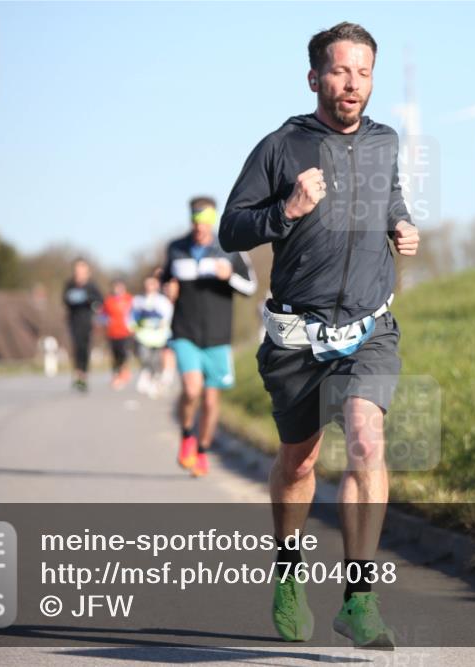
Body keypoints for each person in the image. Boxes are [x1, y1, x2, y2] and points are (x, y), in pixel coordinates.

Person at [219, 22, 419, 650]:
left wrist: (402, 225)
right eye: (339, 71)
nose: (352, 83)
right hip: (297, 340)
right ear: (314, 79)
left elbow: (388, 198)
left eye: (363, 71)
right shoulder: (281, 147)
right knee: (299, 461)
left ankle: (359, 598)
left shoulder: (387, 141)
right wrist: (288, 212)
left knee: (366, 439)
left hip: (368, 329)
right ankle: (287, 571)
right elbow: (230, 230)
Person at [163, 196, 257, 477]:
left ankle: (202, 451)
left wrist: (228, 276)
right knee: (191, 390)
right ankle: (186, 435)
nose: (200, 227)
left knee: (211, 401)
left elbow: (251, 287)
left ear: (213, 221)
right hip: (185, 332)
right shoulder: (176, 249)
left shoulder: (229, 248)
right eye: (195, 220)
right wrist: (167, 290)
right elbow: (164, 280)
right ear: (190, 219)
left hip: (218, 336)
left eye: (205, 221)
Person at [62, 258, 103, 392]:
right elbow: (65, 300)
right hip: (73, 320)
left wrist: (90, 302)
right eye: (77, 270)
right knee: (76, 346)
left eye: (82, 270)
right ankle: (77, 373)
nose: (79, 273)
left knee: (84, 347)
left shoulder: (92, 286)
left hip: (87, 321)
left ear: (87, 272)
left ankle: (84, 374)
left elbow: (99, 301)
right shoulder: (70, 285)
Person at [131, 275, 174, 398]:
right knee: (144, 356)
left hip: (158, 337)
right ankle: (146, 373)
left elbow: (167, 317)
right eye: (147, 284)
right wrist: (133, 327)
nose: (149, 287)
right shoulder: (138, 300)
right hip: (143, 336)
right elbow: (132, 316)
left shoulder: (163, 302)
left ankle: (155, 379)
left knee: (156, 360)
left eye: (152, 284)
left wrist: (163, 326)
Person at [101, 279, 134, 389]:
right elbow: (102, 315)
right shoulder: (108, 301)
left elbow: (135, 313)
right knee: (115, 355)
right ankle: (116, 375)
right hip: (112, 332)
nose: (118, 289)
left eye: (120, 287)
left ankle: (123, 373)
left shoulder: (130, 299)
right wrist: (105, 321)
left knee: (123, 353)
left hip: (125, 332)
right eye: (116, 287)